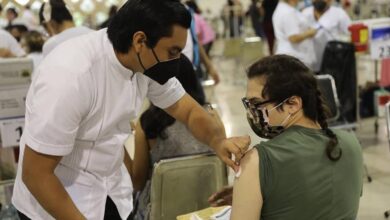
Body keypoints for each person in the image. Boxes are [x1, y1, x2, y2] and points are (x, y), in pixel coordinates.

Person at [11, 0, 250, 219]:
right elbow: (36, 174)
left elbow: (187, 110)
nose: (176, 61)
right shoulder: (71, 76)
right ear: (139, 41)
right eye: (173, 52)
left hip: (108, 188)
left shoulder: (144, 63)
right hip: (56, 202)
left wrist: (217, 141)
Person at [210, 55, 363, 220]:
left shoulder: (258, 160)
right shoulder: (351, 143)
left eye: (257, 104)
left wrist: (249, 189)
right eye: (248, 105)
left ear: (293, 104)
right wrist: (258, 193)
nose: (252, 113)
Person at [131, 54, 222, 219]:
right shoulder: (212, 117)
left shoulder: (147, 123)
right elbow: (222, 167)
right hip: (206, 208)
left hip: (162, 211)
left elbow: (137, 182)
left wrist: (118, 148)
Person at [302, 0, 351, 72]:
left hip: (332, 63)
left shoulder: (339, 13)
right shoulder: (305, 13)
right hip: (309, 63)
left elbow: (350, 33)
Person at [272, 0, 317, 69]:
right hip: (293, 56)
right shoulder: (288, 12)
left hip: (291, 55)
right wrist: (310, 32)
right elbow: (293, 38)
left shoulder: (285, 9)